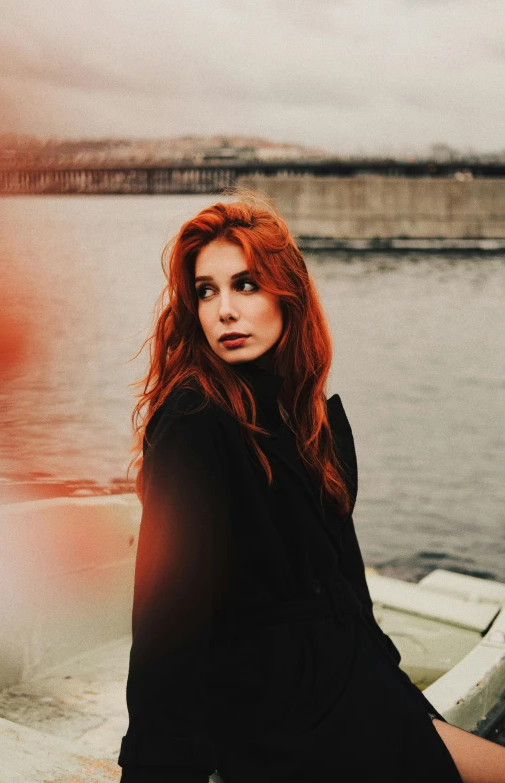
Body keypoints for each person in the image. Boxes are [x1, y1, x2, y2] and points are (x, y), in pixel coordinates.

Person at [118, 195, 505, 783]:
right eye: (207, 291)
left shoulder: (308, 416)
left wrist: (392, 689)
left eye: (246, 285)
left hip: (354, 686)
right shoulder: (195, 422)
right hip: (276, 717)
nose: (224, 310)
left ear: (287, 293)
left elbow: (347, 583)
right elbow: (166, 621)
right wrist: (158, 769)